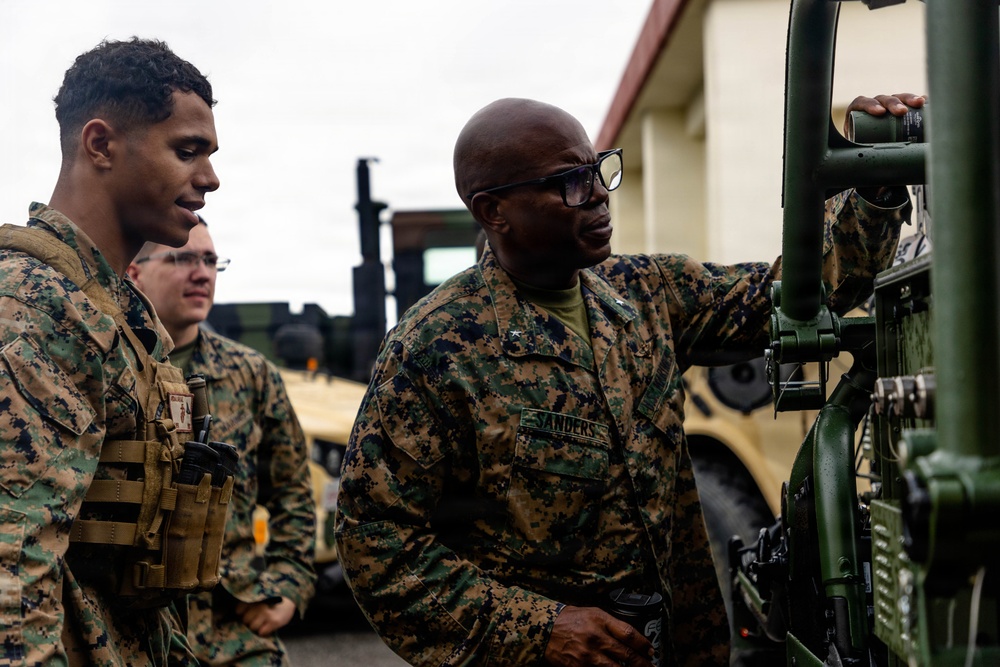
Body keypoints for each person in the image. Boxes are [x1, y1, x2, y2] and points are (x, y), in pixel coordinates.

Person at [335, 93, 921, 667]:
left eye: (597, 169)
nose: (597, 194)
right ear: (494, 212)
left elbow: (805, 293)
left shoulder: (646, 294)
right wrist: (539, 631)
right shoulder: (436, 348)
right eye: (569, 181)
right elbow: (376, 543)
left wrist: (873, 181)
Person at [0, 38, 219, 663]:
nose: (209, 177)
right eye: (187, 151)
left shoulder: (117, 310)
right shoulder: (33, 304)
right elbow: (11, 567)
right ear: (100, 145)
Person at [127, 218, 317, 665]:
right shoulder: (109, 365)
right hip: (134, 631)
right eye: (184, 258)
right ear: (134, 271)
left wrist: (289, 585)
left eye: (211, 261)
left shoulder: (251, 374)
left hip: (234, 628)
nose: (202, 273)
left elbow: (292, 490)